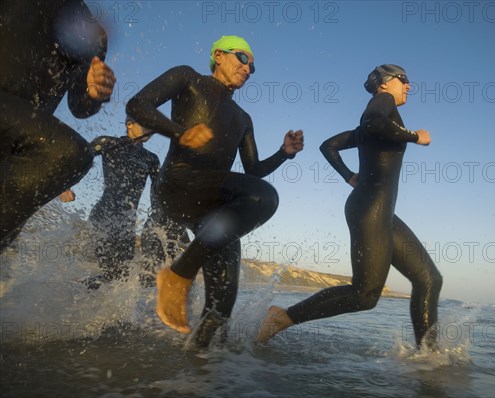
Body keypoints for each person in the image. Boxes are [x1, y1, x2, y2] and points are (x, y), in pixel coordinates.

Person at [126, 35, 304, 346]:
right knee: (264, 197)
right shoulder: (188, 78)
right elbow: (137, 105)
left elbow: (253, 171)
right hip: (178, 184)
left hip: (213, 206)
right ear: (218, 55)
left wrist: (284, 152)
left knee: (222, 307)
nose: (248, 68)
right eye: (242, 58)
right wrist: (179, 133)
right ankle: (178, 274)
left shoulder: (243, 118)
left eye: (253, 66)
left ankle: (198, 372)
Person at [257, 65, 443, 349]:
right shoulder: (383, 102)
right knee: (365, 294)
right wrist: (415, 136)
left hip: (379, 211)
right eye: (404, 80)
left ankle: (430, 359)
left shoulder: (376, 123)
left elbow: (328, 145)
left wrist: (348, 176)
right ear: (385, 82)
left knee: (429, 279)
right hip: (370, 208)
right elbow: (373, 121)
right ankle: (282, 317)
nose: (409, 86)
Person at [0, 0, 116, 250]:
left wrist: (96, 92)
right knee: (69, 153)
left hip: (22, 142)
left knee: (6, 235)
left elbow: (80, 107)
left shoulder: (94, 32)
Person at [60, 116, 180, 288]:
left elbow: (157, 193)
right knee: (110, 271)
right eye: (145, 123)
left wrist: (159, 220)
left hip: (127, 224)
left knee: (120, 278)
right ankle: (73, 293)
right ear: (129, 124)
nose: (149, 129)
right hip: (104, 217)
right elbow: (81, 158)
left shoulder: (151, 158)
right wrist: (66, 185)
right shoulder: (108, 142)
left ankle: (85, 298)